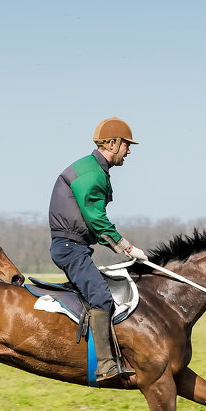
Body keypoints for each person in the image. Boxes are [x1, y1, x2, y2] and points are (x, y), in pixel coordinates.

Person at [48, 117, 148, 385]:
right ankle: (105, 366)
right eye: (127, 145)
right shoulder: (92, 173)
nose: (129, 151)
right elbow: (95, 219)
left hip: (74, 246)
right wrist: (125, 246)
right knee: (102, 298)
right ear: (113, 144)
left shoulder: (95, 170)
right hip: (70, 248)